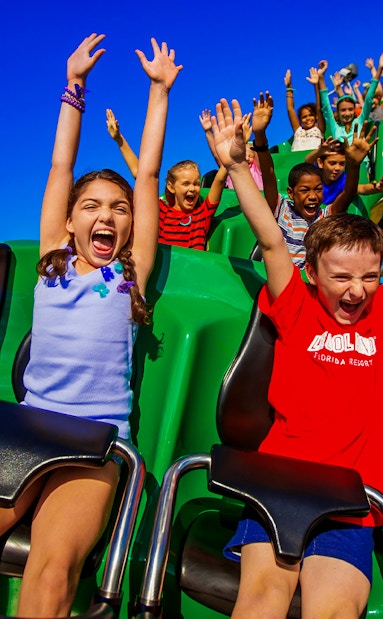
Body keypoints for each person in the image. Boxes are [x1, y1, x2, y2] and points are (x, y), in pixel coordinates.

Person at [210, 96, 383, 619]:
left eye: (369, 276)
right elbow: (273, 245)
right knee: (261, 598)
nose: (356, 291)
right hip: (277, 481)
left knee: (335, 609)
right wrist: (237, 166)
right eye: (341, 278)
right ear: (315, 274)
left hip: (351, 500)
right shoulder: (297, 308)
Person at [0, 34, 182, 618]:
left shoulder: (132, 274)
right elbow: (61, 163)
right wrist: (73, 86)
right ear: (72, 219)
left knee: (52, 572)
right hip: (28, 426)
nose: (106, 215)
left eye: (119, 208)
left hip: (95, 440)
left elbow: (149, 174)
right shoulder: (50, 260)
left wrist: (158, 93)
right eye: (92, 206)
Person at [251, 91, 377, 268]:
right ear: (291, 193)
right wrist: (260, 135)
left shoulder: (325, 217)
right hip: (279, 279)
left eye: (318, 189)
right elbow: (269, 175)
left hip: (305, 284)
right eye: (304, 190)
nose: (312, 196)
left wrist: (354, 165)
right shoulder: (282, 209)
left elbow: (348, 194)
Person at [107, 108, 227, 250]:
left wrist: (233, 153)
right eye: (185, 184)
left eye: (196, 184)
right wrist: (119, 139)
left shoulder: (201, 215)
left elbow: (219, 180)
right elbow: (141, 175)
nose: (192, 188)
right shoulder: (162, 211)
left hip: (191, 270)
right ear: (171, 187)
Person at [315, 51, 383, 143]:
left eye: (350, 109)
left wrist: (379, 68)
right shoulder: (334, 127)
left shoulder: (359, 121)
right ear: (338, 112)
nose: (347, 113)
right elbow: (325, 106)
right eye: (343, 110)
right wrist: (321, 77)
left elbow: (369, 98)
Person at [305, 138, 383, 204]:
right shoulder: (315, 173)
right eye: (332, 163)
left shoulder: (342, 179)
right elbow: (307, 162)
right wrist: (318, 152)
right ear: (321, 163)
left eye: (342, 164)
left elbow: (361, 188)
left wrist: (377, 188)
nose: (337, 168)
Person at [284, 69, 323, 151]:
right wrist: (289, 88)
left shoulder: (319, 129)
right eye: (304, 117)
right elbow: (290, 109)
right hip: (299, 162)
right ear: (300, 120)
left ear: (316, 117)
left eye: (311, 115)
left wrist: (316, 86)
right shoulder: (298, 131)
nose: (308, 118)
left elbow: (319, 107)